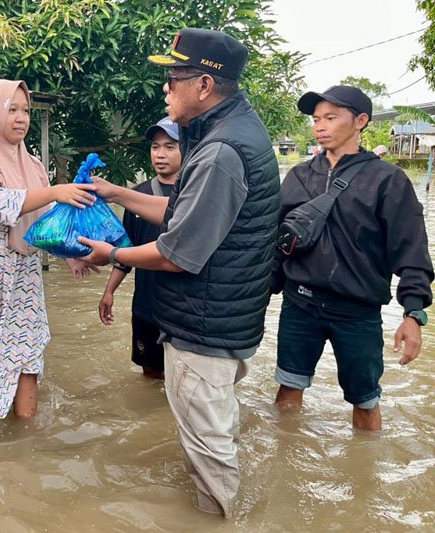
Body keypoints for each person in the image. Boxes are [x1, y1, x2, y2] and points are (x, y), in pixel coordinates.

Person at [78, 28, 280, 518]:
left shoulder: (218, 152)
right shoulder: (227, 134)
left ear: (204, 86)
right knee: (218, 435)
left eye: (173, 79)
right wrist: (119, 193)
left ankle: (219, 522)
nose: (165, 90)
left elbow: (176, 253)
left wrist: (114, 255)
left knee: (211, 456)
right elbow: (180, 211)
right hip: (225, 319)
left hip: (203, 327)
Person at [272, 86, 433, 430]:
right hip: (299, 305)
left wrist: (413, 313)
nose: (320, 126)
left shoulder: (388, 180)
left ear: (360, 121)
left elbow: (412, 249)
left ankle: (365, 473)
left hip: (357, 312)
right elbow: (276, 243)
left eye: (331, 117)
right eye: (316, 119)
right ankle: (285, 459)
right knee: (287, 392)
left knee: (365, 400)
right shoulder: (299, 176)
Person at [0, 79, 97, 419]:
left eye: (25, 110)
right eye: (11, 109)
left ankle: (26, 440)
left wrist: (70, 255)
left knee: (27, 350)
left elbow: (42, 220)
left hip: (23, 275)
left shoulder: (32, 165)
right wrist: (55, 192)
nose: (21, 118)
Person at [98, 117, 182, 380]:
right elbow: (126, 251)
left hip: (183, 307)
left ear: (187, 150)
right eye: (155, 147)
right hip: (146, 305)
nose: (160, 154)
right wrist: (109, 291)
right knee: (151, 378)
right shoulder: (136, 196)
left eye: (170, 147)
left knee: (185, 380)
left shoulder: (196, 193)